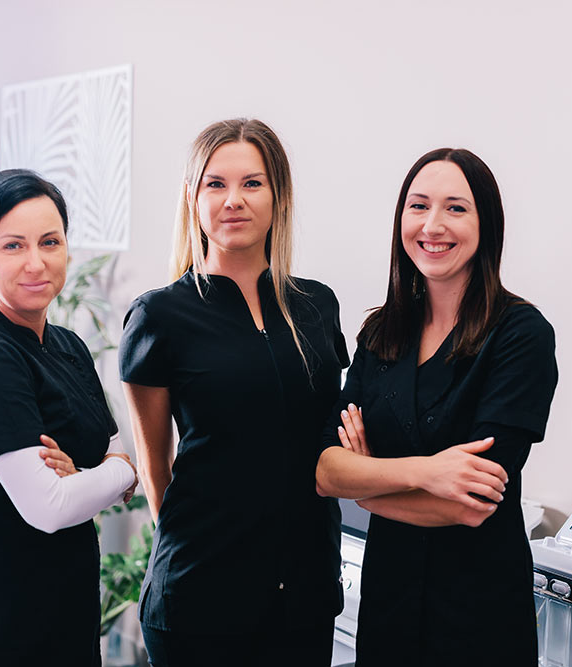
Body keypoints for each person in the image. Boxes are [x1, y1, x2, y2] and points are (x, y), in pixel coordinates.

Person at [118, 119, 350, 667]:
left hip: (305, 594)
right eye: (215, 184)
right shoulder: (160, 316)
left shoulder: (316, 306)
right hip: (202, 598)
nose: (233, 201)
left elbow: (327, 434)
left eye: (252, 183)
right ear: (193, 199)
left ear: (279, 196)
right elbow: (157, 470)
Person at [315, 148, 558, 666]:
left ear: (485, 223)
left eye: (455, 208)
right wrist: (428, 471)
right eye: (418, 206)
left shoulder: (520, 336)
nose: (433, 225)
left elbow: (469, 505)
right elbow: (326, 472)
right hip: (388, 607)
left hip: (479, 618)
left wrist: (371, 489)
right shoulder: (381, 334)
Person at [0, 169, 138, 666]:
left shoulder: (68, 347)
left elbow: (106, 448)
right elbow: (51, 507)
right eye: (14, 245)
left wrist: (88, 474)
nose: (37, 262)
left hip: (66, 618)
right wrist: (122, 471)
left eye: (50, 241)